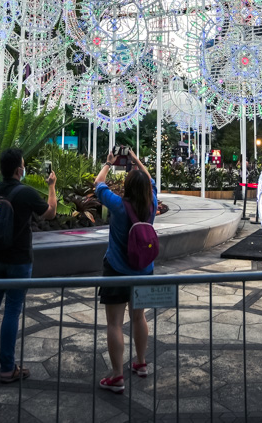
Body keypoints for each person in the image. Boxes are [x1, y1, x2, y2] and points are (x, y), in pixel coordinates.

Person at [0, 148, 57, 383]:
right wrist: (51, 186)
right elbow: (50, 213)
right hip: (19, 261)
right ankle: (7, 368)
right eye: (24, 166)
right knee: (12, 311)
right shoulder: (26, 193)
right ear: (19, 170)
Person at [94, 148, 158, 394]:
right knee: (139, 317)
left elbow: (98, 184)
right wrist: (136, 160)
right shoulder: (151, 204)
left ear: (127, 188)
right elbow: (150, 180)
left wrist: (109, 163)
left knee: (115, 323)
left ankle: (117, 375)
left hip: (117, 270)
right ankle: (141, 363)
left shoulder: (118, 205)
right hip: (144, 270)